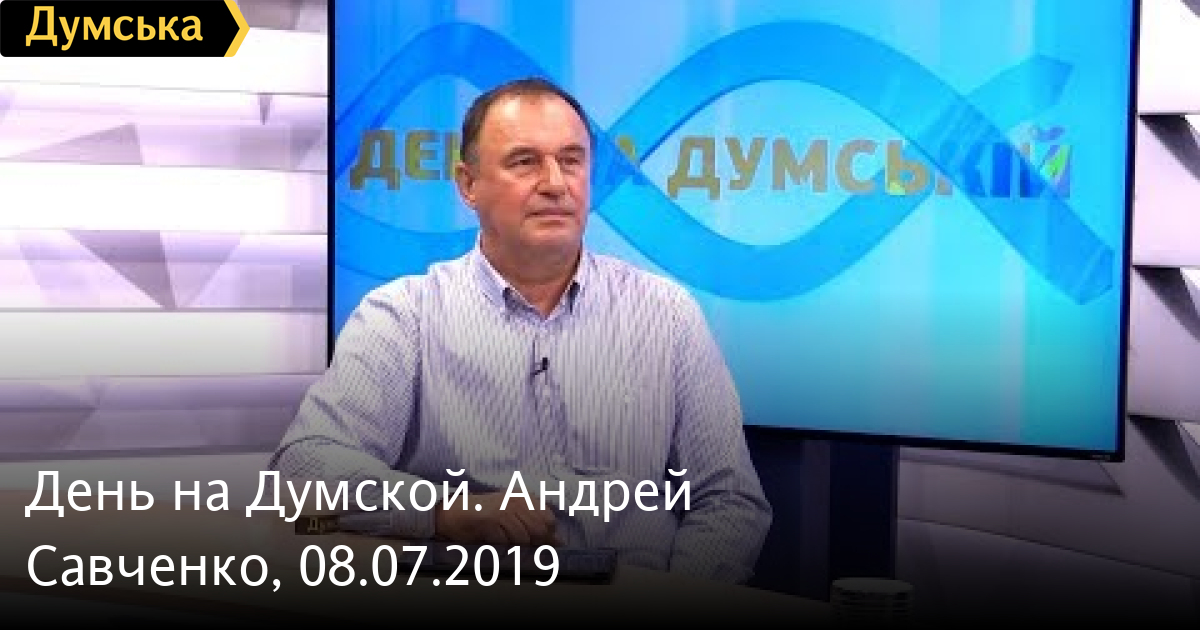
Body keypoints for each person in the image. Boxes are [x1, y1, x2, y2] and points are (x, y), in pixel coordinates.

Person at [270, 77, 771, 583]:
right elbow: (305, 470)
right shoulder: (403, 315)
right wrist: (444, 512)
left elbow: (730, 500)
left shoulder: (666, 314)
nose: (555, 183)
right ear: (468, 185)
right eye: (525, 161)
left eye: (571, 161)